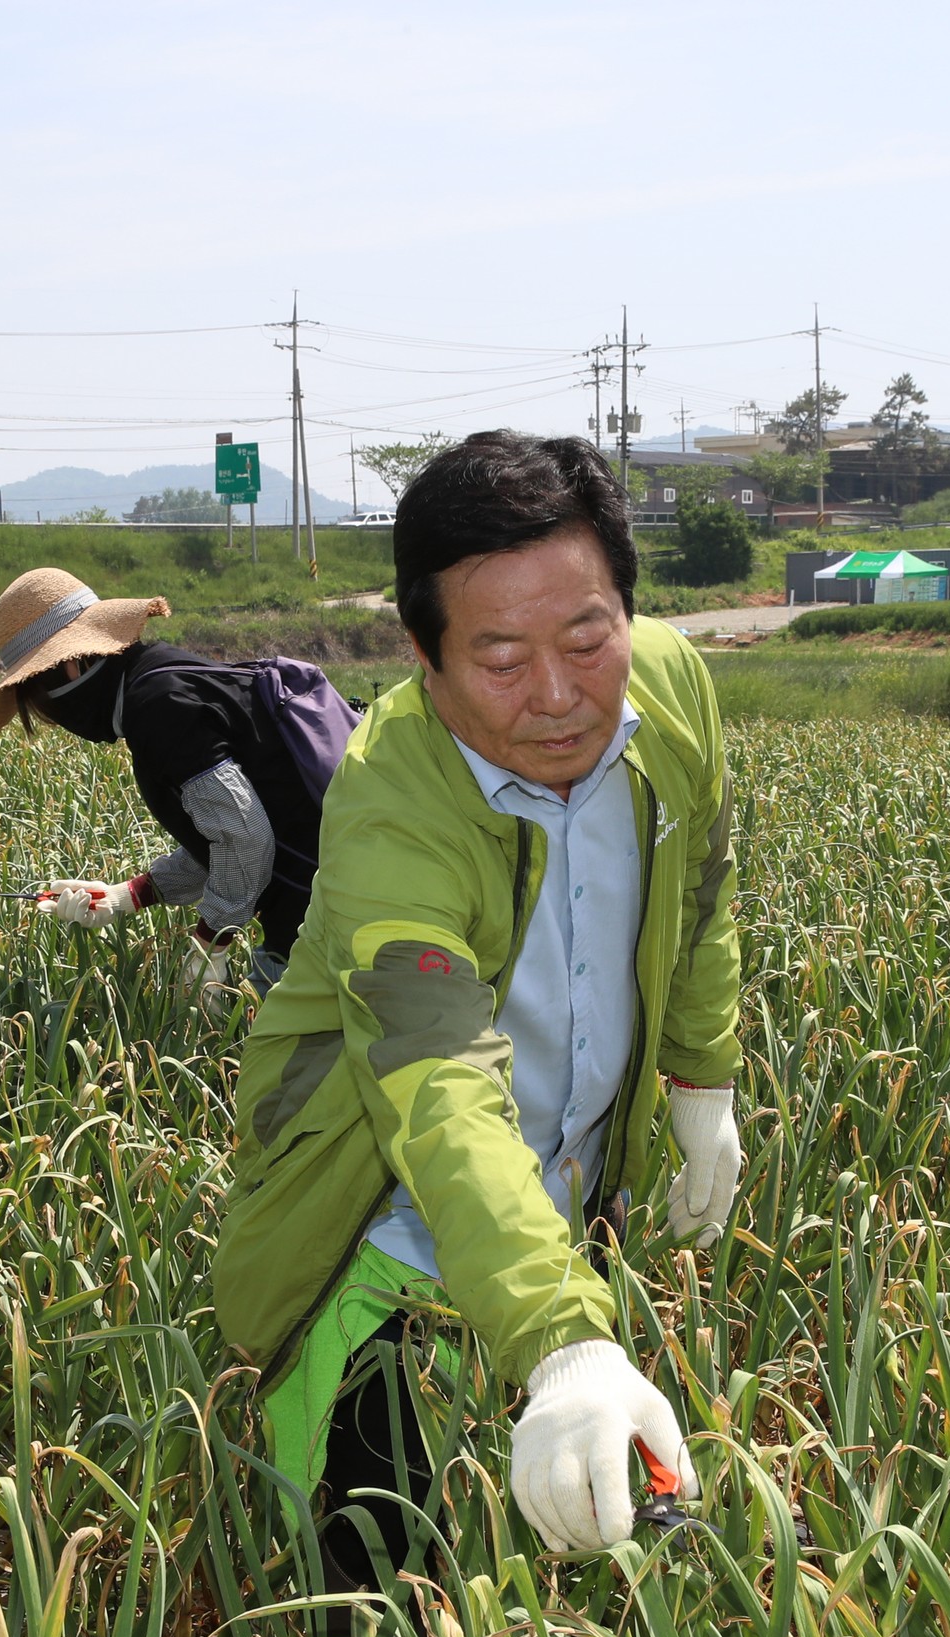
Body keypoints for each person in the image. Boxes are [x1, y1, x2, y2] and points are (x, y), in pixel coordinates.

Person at [210, 431, 744, 1577]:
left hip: (569, 1218)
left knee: (602, 1610)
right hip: (386, 1247)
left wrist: (702, 1076)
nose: (557, 694)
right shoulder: (392, 804)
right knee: (378, 1630)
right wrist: (562, 1343)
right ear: (423, 655)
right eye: (499, 656)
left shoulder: (675, 691)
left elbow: (701, 884)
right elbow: (436, 1076)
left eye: (588, 635)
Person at [0, 567, 349, 1005]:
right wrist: (125, 896)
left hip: (330, 922)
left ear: (69, 665)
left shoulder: (156, 707)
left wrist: (210, 945)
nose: (52, 716)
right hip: (334, 895)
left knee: (275, 1059)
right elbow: (223, 836)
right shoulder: (162, 674)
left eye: (38, 694)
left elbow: (244, 837)